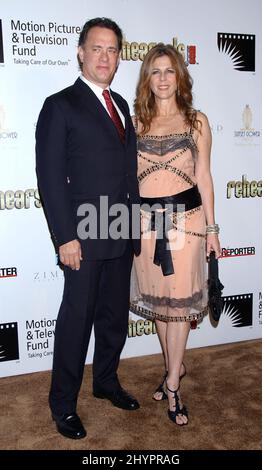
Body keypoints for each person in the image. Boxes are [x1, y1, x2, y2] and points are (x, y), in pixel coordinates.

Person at [36, 17, 141, 440]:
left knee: (114, 317)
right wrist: (65, 237)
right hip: (82, 234)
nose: (105, 56)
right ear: (80, 52)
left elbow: (126, 172)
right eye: (97, 48)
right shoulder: (59, 105)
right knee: (76, 322)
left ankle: (106, 382)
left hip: (119, 228)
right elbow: (49, 178)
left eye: (112, 50)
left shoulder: (121, 104)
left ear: (119, 57)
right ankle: (63, 405)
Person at [130, 44, 220, 426]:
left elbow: (204, 177)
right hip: (146, 226)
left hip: (188, 222)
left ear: (179, 76)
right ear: (147, 78)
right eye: (156, 71)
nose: (163, 78)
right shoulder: (136, 122)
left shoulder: (196, 121)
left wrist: (213, 229)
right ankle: (174, 368)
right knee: (160, 305)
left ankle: (171, 385)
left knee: (180, 304)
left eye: (170, 71)